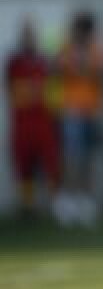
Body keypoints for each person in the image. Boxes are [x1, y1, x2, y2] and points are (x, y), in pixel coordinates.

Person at [56, 11, 103, 226]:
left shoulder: (96, 49)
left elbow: (98, 71)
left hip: (92, 111)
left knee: (88, 159)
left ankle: (86, 202)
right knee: (72, 157)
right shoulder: (67, 48)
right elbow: (63, 69)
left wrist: (83, 63)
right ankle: (68, 201)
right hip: (72, 111)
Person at [5, 19, 60, 220]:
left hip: (43, 122)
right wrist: (33, 92)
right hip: (22, 124)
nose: (29, 38)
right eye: (26, 34)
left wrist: (36, 93)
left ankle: (54, 206)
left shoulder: (45, 62)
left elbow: (51, 92)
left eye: (32, 34)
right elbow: (14, 93)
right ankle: (28, 207)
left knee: (50, 163)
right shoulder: (14, 62)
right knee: (23, 165)